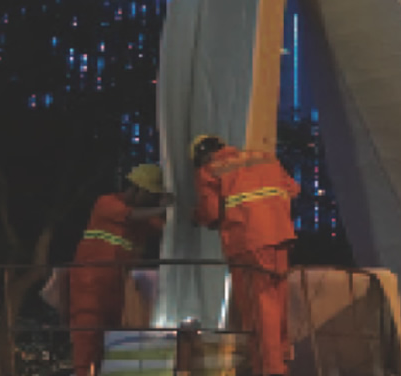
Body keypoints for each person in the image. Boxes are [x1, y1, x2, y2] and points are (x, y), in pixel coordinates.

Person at [190, 135, 300, 376]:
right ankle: (281, 362)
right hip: (280, 236)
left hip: (248, 242)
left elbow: (211, 213)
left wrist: (196, 216)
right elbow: (292, 189)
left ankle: (269, 369)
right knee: (278, 301)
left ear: (201, 157)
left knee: (259, 308)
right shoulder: (264, 158)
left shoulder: (209, 170)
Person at [69, 164, 173, 376]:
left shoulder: (141, 218)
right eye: (150, 196)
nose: (151, 201)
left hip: (114, 283)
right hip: (90, 283)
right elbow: (132, 215)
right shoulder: (107, 203)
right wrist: (166, 207)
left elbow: (162, 226)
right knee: (87, 335)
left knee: (111, 336)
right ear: (138, 189)